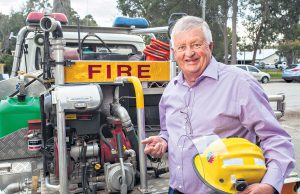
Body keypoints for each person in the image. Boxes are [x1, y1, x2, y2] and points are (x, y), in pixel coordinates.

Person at [141, 16, 295, 194]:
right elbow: (168, 131)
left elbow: (275, 138)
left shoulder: (239, 83)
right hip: (176, 189)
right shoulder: (171, 90)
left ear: (210, 46)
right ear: (174, 52)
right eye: (182, 47)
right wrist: (163, 141)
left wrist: (269, 184)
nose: (189, 53)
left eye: (196, 45)